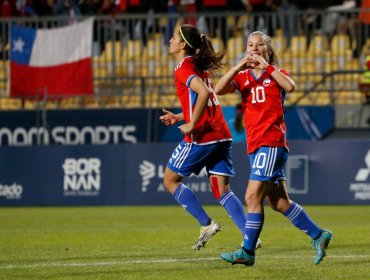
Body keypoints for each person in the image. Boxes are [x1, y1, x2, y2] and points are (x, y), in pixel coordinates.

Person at [215, 30, 333, 266]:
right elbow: (218, 89)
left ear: (268, 50)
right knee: (278, 202)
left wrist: (267, 66)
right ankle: (319, 235)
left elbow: (290, 87)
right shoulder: (244, 77)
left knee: (251, 195)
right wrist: (239, 66)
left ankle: (247, 252)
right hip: (256, 146)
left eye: (259, 45)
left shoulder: (275, 74)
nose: (254, 49)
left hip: (271, 142)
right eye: (250, 45)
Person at [159, 24, 261, 250]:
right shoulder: (198, 65)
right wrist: (179, 116)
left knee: (169, 180)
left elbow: (204, 93)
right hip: (221, 134)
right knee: (222, 190)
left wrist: (191, 123)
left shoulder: (182, 67)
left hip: (203, 136)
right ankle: (249, 235)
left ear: (183, 44)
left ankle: (206, 224)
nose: (170, 40)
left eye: (174, 37)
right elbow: (201, 99)